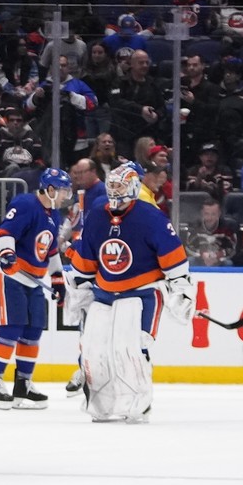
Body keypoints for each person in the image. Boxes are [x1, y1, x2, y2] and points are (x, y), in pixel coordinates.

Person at [69, 165, 193, 423]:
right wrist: (79, 291)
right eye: (112, 186)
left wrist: (181, 289)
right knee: (94, 350)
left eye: (121, 186)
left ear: (134, 187)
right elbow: (85, 262)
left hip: (142, 292)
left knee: (129, 348)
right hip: (104, 293)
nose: (115, 191)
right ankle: (101, 406)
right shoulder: (96, 216)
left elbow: (174, 259)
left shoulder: (151, 216)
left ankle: (138, 404)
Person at [0, 168, 70, 411]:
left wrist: (57, 280)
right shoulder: (26, 204)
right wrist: (8, 253)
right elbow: (4, 234)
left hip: (32, 280)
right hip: (10, 275)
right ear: (50, 189)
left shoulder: (53, 213)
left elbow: (51, 251)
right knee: (11, 328)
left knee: (32, 331)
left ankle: (23, 384)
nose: (66, 195)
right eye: (63, 190)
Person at [185, 197, 238, 267]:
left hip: (220, 260)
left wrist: (219, 255)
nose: (210, 218)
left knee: (228, 263)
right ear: (202, 213)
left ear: (219, 214)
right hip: (199, 259)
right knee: (189, 261)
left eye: (213, 214)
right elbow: (188, 247)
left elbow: (233, 248)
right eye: (206, 214)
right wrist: (202, 254)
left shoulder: (227, 227)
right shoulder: (194, 226)